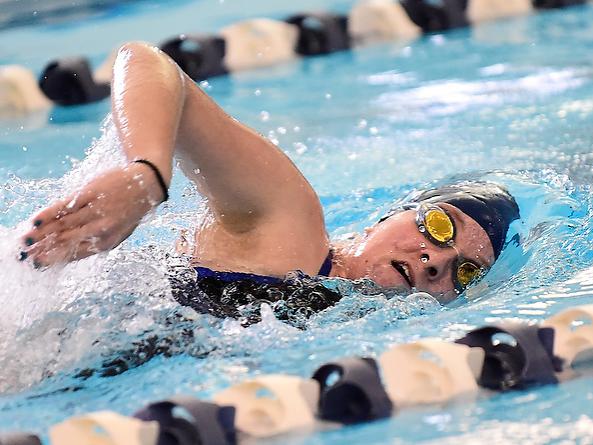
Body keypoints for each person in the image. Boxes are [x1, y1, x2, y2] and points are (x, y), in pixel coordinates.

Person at [19, 42, 519, 313]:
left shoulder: (348, 317)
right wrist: (145, 177)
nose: (437, 261)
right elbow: (147, 60)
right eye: (439, 227)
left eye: (466, 272)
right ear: (386, 217)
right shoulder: (291, 224)